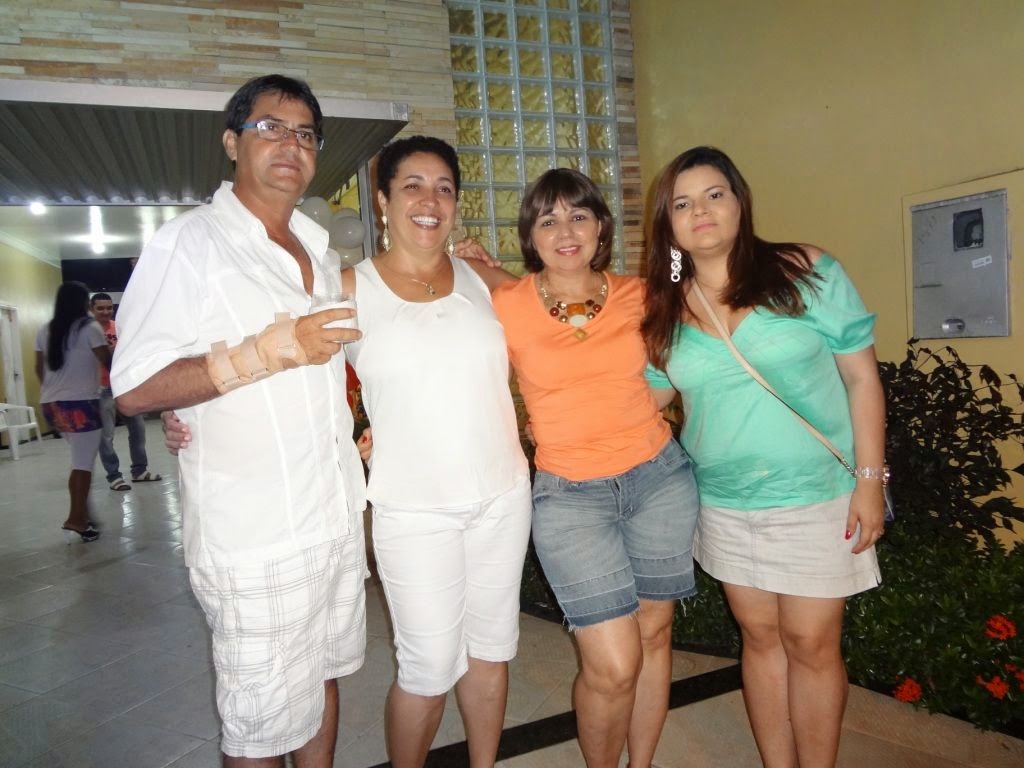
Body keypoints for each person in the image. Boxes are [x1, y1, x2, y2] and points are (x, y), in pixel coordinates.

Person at [111, 74, 367, 767]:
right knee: (259, 727)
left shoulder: (318, 248)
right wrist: (265, 351)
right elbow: (134, 386)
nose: (291, 143)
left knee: (322, 679)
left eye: (305, 133)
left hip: (333, 515)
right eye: (270, 127)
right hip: (257, 537)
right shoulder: (189, 244)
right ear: (232, 142)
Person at [642, 146, 884, 768]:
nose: (700, 211)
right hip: (724, 502)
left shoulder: (805, 271)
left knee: (811, 642)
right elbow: (644, 398)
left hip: (817, 495)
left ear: (740, 201)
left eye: (714, 194)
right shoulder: (667, 306)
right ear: (668, 224)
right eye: (682, 203)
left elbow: (861, 378)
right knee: (760, 637)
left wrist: (869, 481)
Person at [489, 168, 700, 768]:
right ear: (530, 236)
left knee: (655, 636)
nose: (565, 231)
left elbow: (683, 273)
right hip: (570, 497)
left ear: (601, 227)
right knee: (613, 665)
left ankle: (643, 762)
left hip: (658, 480)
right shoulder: (505, 304)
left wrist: (678, 248)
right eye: (548, 220)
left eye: (579, 216)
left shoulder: (642, 293)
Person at [345, 135, 531, 768]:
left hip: (503, 496)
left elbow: (560, 330)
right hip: (413, 509)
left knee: (491, 654)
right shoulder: (349, 289)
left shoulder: (483, 279)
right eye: (412, 186)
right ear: (382, 200)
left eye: (444, 188)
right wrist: (190, 416)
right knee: (426, 670)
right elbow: (296, 383)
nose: (430, 201)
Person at [34, 281, 109, 543]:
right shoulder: (90, 328)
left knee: (79, 460)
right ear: (84, 302)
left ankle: (84, 514)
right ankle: (76, 519)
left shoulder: (45, 329)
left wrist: (54, 392)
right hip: (81, 405)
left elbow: (38, 368)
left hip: (52, 405)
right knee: (83, 464)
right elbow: (107, 360)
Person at [90, 292, 161, 490]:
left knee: (138, 430)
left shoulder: (119, 328)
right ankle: (114, 476)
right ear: (92, 309)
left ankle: (140, 471)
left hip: (125, 386)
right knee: (106, 436)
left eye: (109, 307)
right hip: (101, 389)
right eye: (100, 308)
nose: (106, 312)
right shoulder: (87, 331)